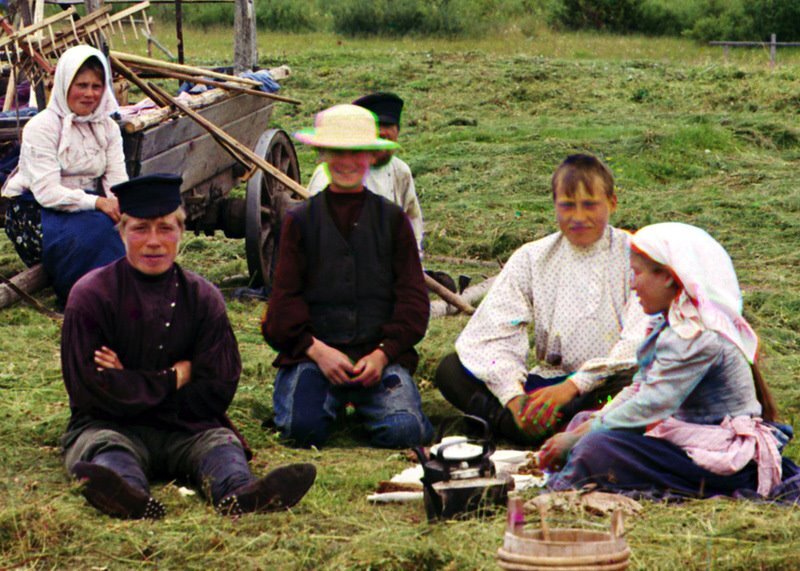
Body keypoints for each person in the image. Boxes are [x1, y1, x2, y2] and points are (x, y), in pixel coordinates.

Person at [60, 174, 316, 519]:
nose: (154, 241)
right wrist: (174, 377)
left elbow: (216, 389)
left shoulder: (203, 298)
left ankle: (239, 493)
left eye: (165, 228)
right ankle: (128, 496)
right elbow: (92, 392)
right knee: (106, 449)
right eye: (140, 229)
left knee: (220, 445)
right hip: (109, 425)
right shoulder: (90, 296)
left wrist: (130, 380)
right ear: (121, 233)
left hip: (187, 428)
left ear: (181, 232)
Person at [542, 222, 800, 501]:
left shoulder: (696, 336)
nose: (632, 284)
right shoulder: (669, 325)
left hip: (720, 460)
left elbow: (650, 405)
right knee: (585, 421)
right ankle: (577, 466)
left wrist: (580, 439)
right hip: (687, 441)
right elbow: (639, 387)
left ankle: (565, 484)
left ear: (666, 277)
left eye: (637, 273)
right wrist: (586, 427)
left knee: (597, 446)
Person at [434, 154, 649, 445]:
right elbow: (492, 333)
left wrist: (576, 385)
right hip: (546, 386)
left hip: (603, 387)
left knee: (638, 383)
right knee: (452, 369)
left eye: (590, 205)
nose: (578, 217)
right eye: (567, 205)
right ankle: (527, 424)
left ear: (612, 202)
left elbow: (639, 341)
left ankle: (519, 428)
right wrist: (513, 397)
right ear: (554, 205)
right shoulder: (532, 257)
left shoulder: (637, 256)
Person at [263, 104, 433, 449]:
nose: (346, 162)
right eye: (337, 151)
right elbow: (282, 307)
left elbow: (414, 302)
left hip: (377, 360)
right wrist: (317, 350)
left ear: (371, 156)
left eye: (356, 152)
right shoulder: (300, 221)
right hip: (315, 357)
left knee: (405, 431)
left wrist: (383, 353)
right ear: (322, 153)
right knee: (302, 430)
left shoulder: (393, 220)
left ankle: (369, 404)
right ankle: (325, 401)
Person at [2, 45, 128, 304]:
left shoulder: (107, 128)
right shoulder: (43, 127)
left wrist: (122, 205)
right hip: (35, 210)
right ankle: (91, 301)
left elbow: (116, 181)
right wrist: (99, 203)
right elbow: (47, 193)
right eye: (81, 85)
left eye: (96, 86)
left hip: (87, 206)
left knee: (127, 228)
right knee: (97, 233)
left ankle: (128, 293)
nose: (90, 94)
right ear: (64, 84)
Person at [306, 92, 424, 256]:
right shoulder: (329, 175)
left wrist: (414, 258)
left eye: (389, 126)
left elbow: (412, 219)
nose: (382, 132)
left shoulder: (400, 171)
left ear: (397, 131)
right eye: (377, 126)